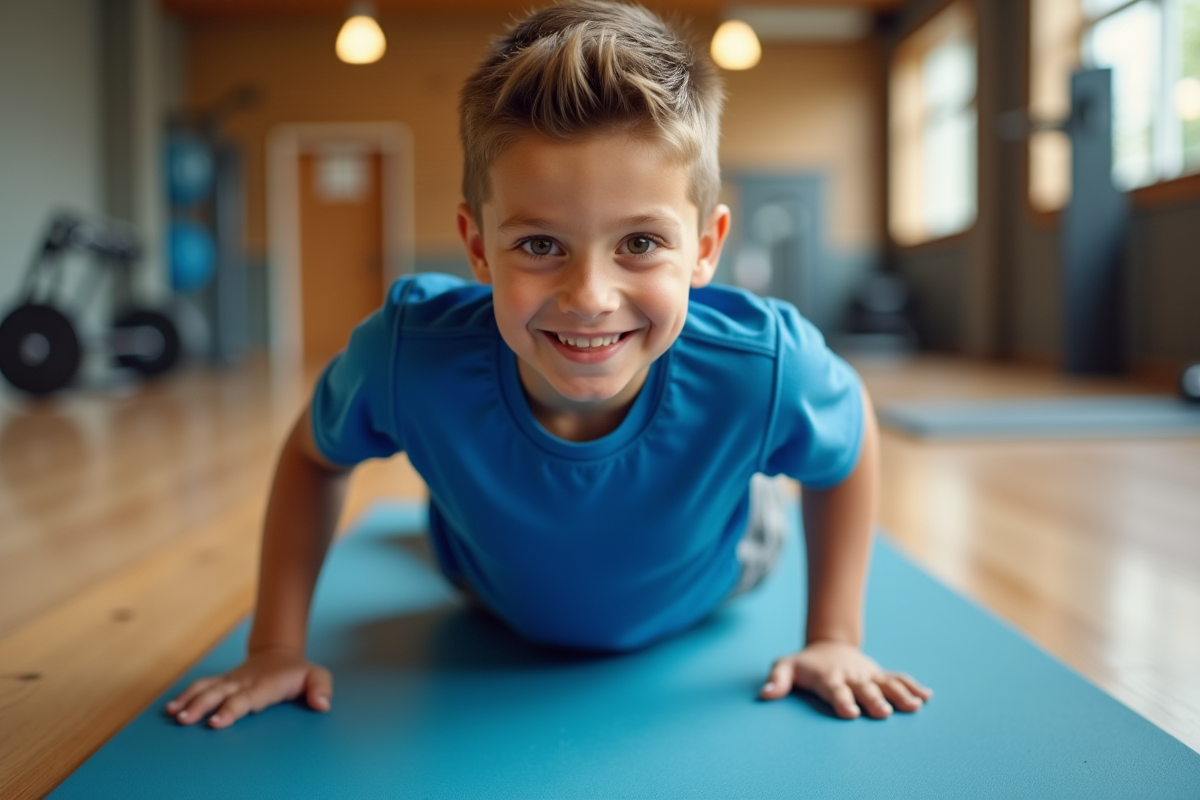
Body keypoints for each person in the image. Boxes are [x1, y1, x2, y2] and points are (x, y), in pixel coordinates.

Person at [167, 0, 931, 730]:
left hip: (717, 568)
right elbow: (313, 452)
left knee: (764, 491)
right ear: (476, 247)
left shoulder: (763, 366)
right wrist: (273, 647)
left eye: (639, 243)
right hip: (487, 584)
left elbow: (850, 434)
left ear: (705, 248)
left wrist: (833, 635)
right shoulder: (407, 357)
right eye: (539, 246)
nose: (591, 297)